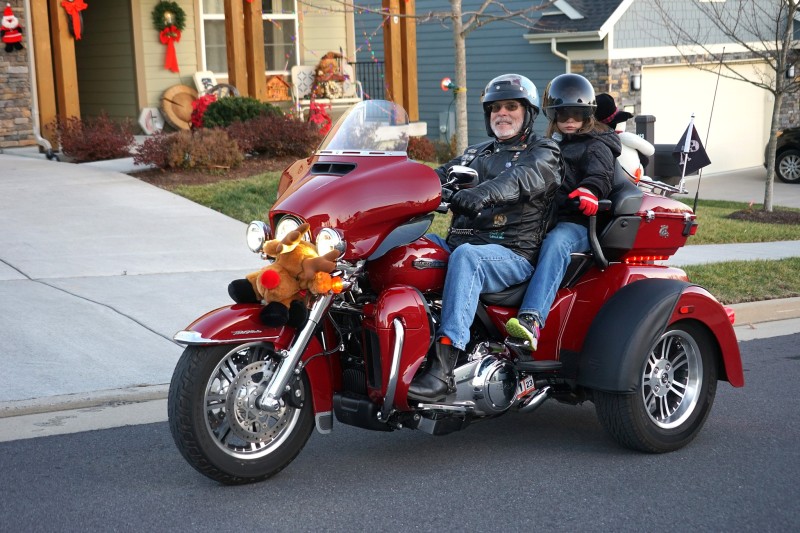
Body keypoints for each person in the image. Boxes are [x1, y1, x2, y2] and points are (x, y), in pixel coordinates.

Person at [407, 73, 563, 402]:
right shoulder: (476, 152)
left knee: (468, 257)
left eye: (511, 107)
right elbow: (436, 176)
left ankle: (444, 368)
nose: (501, 114)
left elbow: (521, 179)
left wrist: (482, 194)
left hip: (512, 255)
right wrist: (401, 183)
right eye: (495, 108)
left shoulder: (544, 152)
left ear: (529, 113)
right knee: (407, 251)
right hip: (459, 243)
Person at [505, 74, 621, 350]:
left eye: (577, 114)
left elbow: (601, 174)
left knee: (556, 243)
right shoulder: (547, 146)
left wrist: (590, 191)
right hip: (543, 217)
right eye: (563, 114)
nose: (570, 120)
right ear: (553, 116)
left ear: (588, 115)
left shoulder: (597, 145)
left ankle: (531, 319)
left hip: (577, 222)